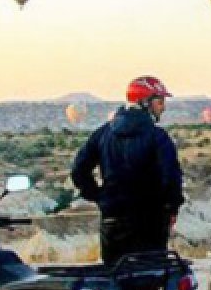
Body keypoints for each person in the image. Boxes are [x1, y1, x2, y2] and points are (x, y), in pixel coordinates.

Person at [71, 75, 184, 265]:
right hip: (151, 220)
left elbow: (79, 170)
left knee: (115, 275)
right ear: (145, 102)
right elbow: (171, 177)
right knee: (151, 275)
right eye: (160, 102)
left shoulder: (102, 133)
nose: (163, 108)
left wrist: (101, 197)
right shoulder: (158, 137)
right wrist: (171, 207)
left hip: (113, 220)